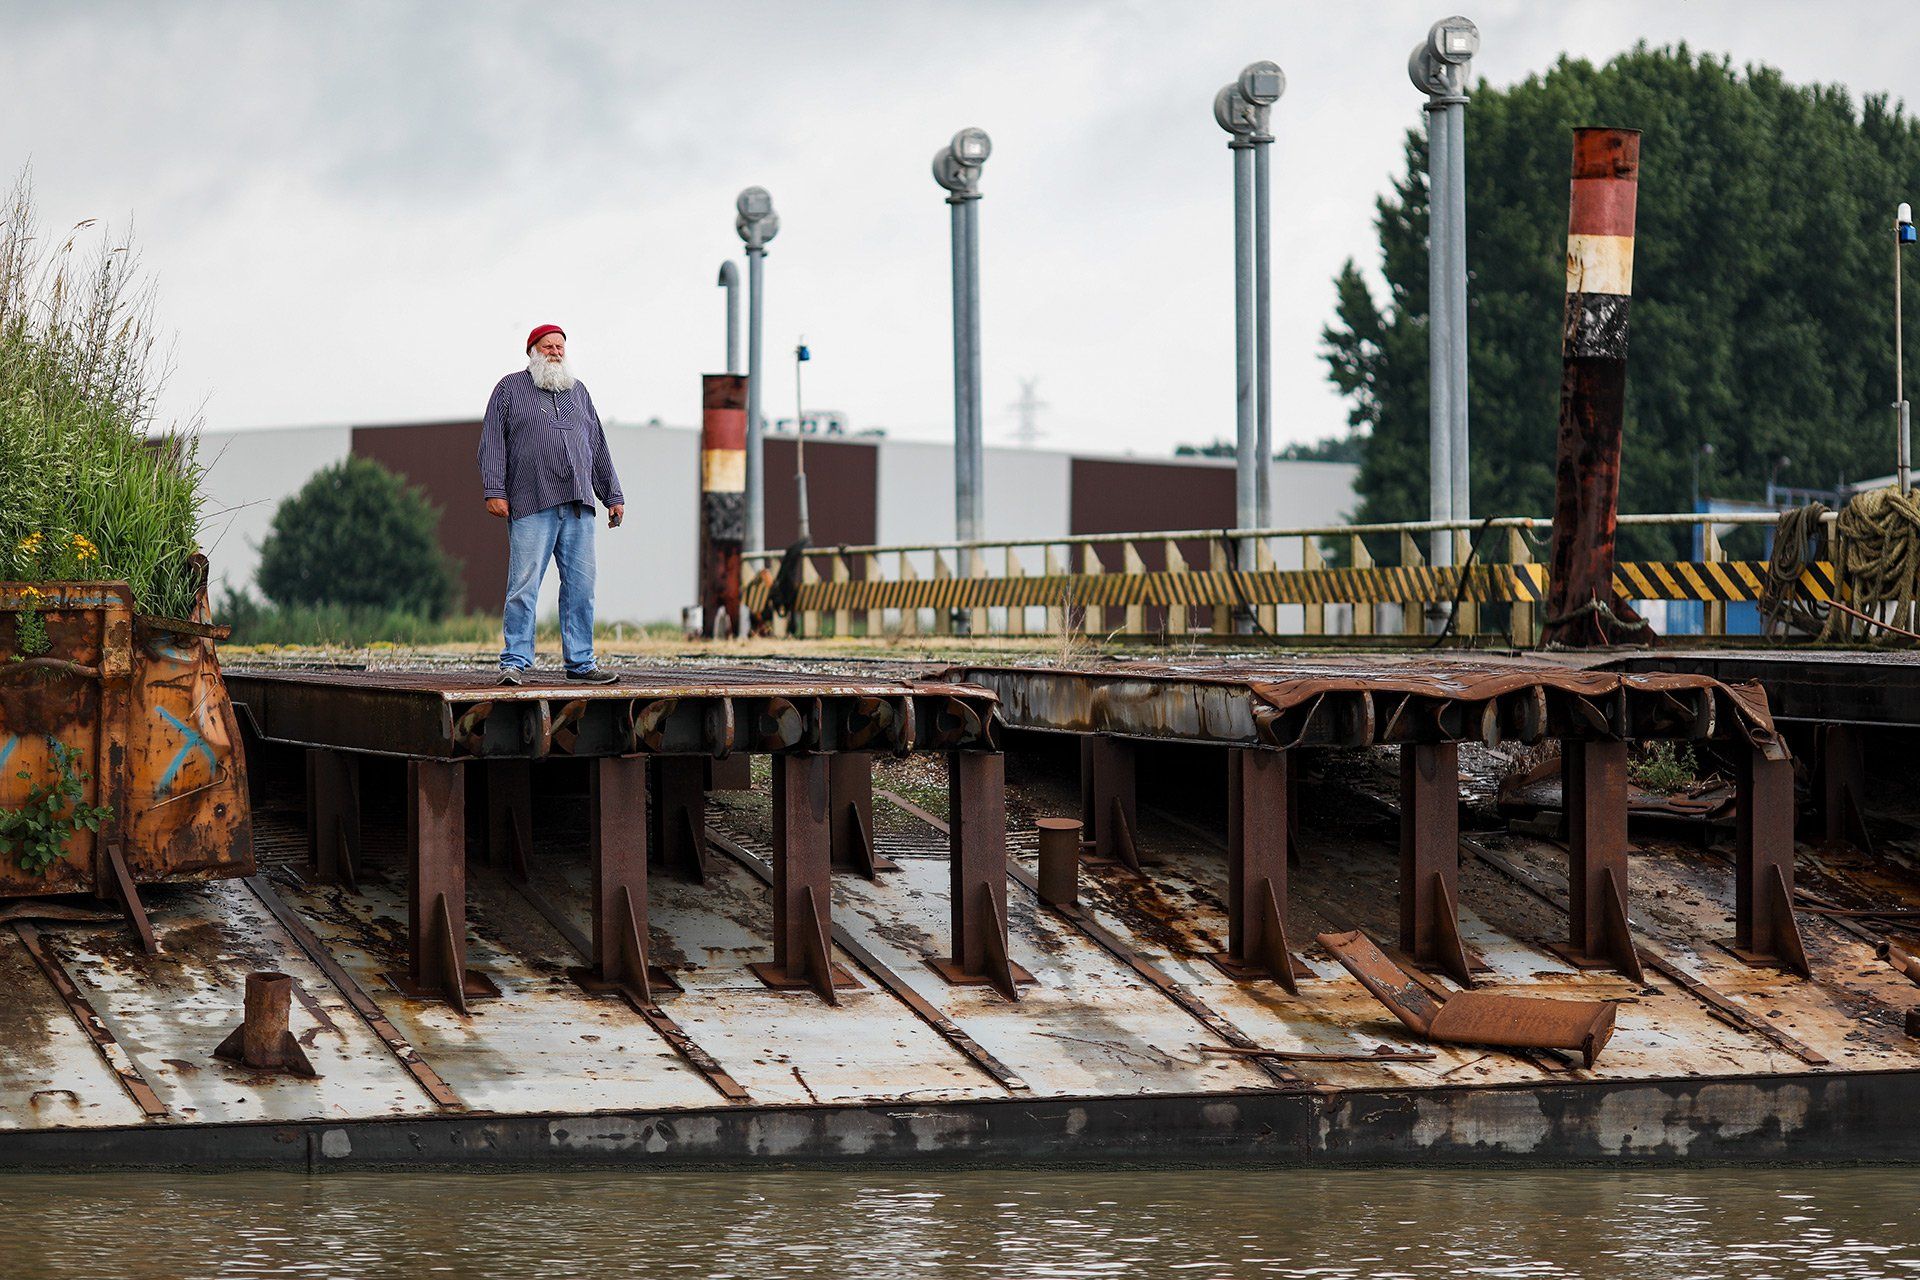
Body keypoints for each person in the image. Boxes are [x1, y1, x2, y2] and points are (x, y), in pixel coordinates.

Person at [477, 324, 625, 685]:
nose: (556, 352)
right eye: (548, 346)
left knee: (581, 587)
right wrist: (494, 489)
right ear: (533, 351)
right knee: (524, 585)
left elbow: (597, 447)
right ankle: (514, 661)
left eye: (560, 346)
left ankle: (581, 662)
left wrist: (613, 495)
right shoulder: (509, 389)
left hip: (578, 506)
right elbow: (492, 441)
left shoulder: (579, 392)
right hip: (531, 502)